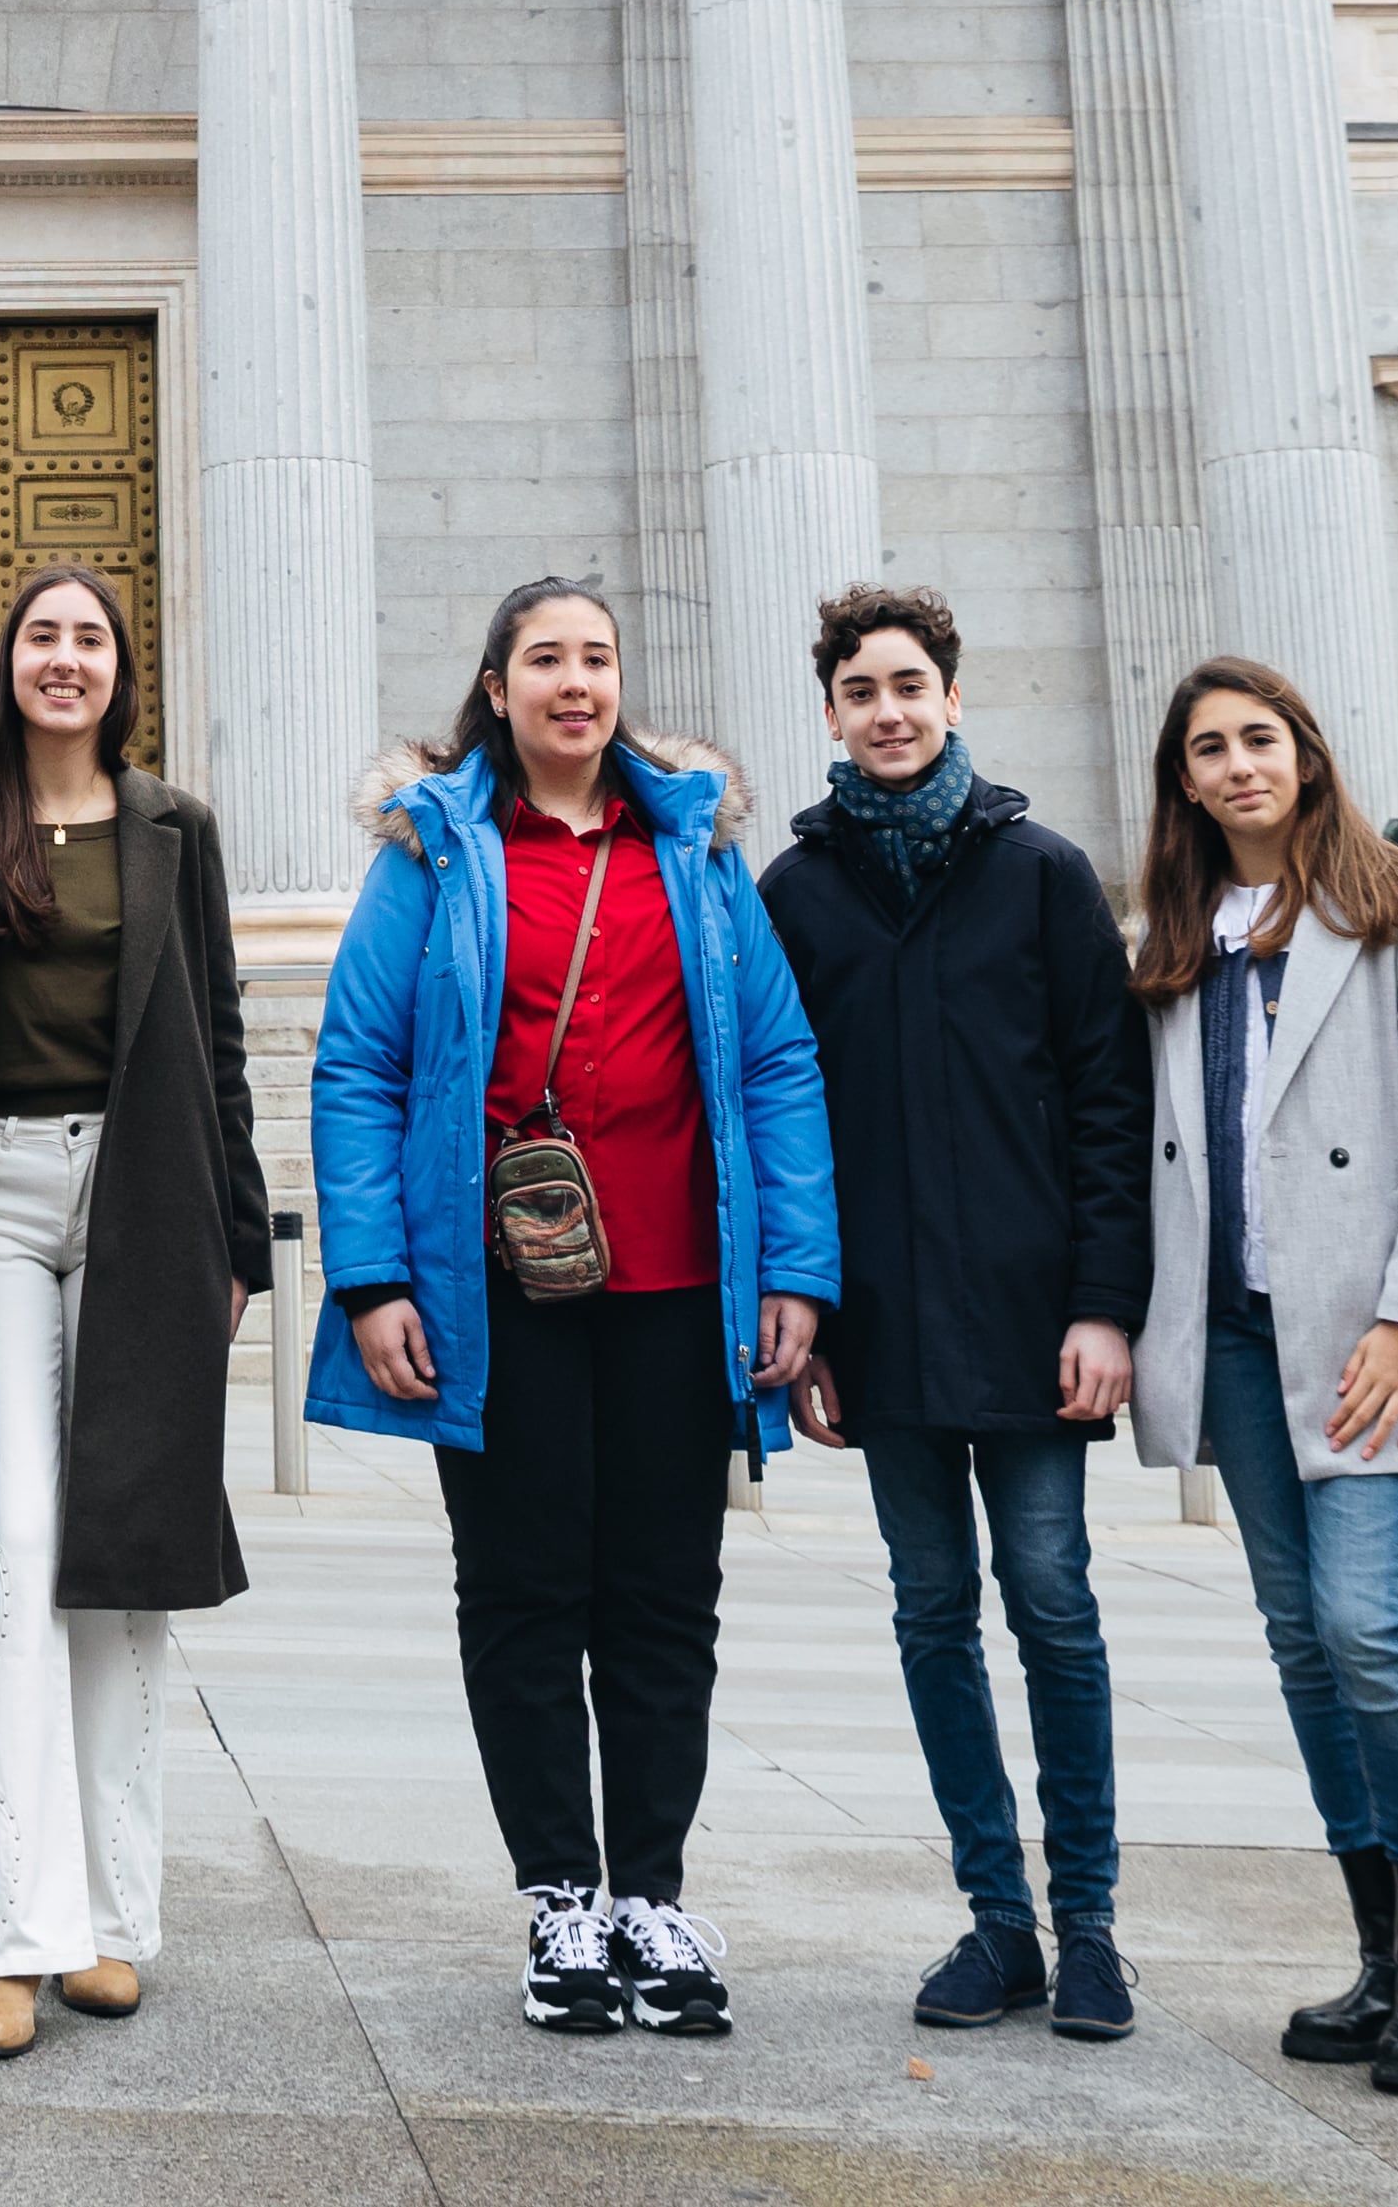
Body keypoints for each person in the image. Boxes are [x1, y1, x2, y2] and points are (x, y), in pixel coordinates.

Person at [310, 579, 835, 2041]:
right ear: (496, 686)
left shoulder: (696, 850)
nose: (574, 682)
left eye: (595, 657)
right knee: (523, 1593)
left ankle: (650, 1895)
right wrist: (372, 1277)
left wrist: (796, 1270)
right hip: (496, 1294)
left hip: (679, 1285)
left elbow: (777, 1061)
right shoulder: (433, 852)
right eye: (544, 658)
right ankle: (560, 1898)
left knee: (664, 1598)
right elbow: (356, 1064)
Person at [0, 566, 266, 2064]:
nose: (65, 658)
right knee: (8, 1553)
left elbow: (217, 1030)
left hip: (145, 1203)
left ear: (118, 668)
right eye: (42, 636)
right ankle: (2, 1938)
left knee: (119, 1565)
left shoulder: (176, 831)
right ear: (8, 665)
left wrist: (238, 1232)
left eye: (89, 638)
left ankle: (105, 1918)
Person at [755, 585, 1152, 2043]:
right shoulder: (793, 892)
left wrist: (1105, 1307)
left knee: (1052, 1603)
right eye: (861, 690)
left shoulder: (1042, 872)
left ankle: (1089, 1924)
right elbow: (776, 1116)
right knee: (931, 1612)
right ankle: (997, 1921)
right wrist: (805, 1317)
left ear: (952, 698)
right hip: (882, 1326)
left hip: (1036, 1318)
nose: (889, 710)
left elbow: (1110, 1103)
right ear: (830, 713)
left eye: (909, 684)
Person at [1125, 654, 1398, 2100]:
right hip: (1228, 1335)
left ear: (1304, 754)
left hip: (1360, 1336)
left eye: (1258, 739)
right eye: (1208, 748)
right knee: (1299, 1640)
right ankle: (1378, 1956)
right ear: (1182, 781)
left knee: (1366, 1628)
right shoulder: (1172, 935)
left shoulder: (1394, 904)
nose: (1237, 766)